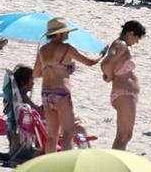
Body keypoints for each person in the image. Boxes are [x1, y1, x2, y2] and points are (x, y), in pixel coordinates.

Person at [33, 18, 103, 153]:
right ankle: (66, 163)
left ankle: (50, 163)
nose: (68, 34)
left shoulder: (43, 50)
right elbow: (90, 62)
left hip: (46, 93)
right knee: (67, 133)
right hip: (61, 92)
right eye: (66, 32)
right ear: (59, 33)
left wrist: (52, 69)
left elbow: (36, 73)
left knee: (52, 136)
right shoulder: (67, 48)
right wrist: (101, 55)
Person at [101, 20, 145, 151]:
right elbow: (105, 64)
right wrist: (109, 75)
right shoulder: (121, 44)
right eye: (137, 38)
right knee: (124, 135)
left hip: (125, 94)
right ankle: (113, 161)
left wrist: (109, 74)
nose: (137, 42)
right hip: (124, 94)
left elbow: (109, 65)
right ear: (130, 33)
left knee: (124, 135)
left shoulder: (120, 45)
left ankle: (114, 160)